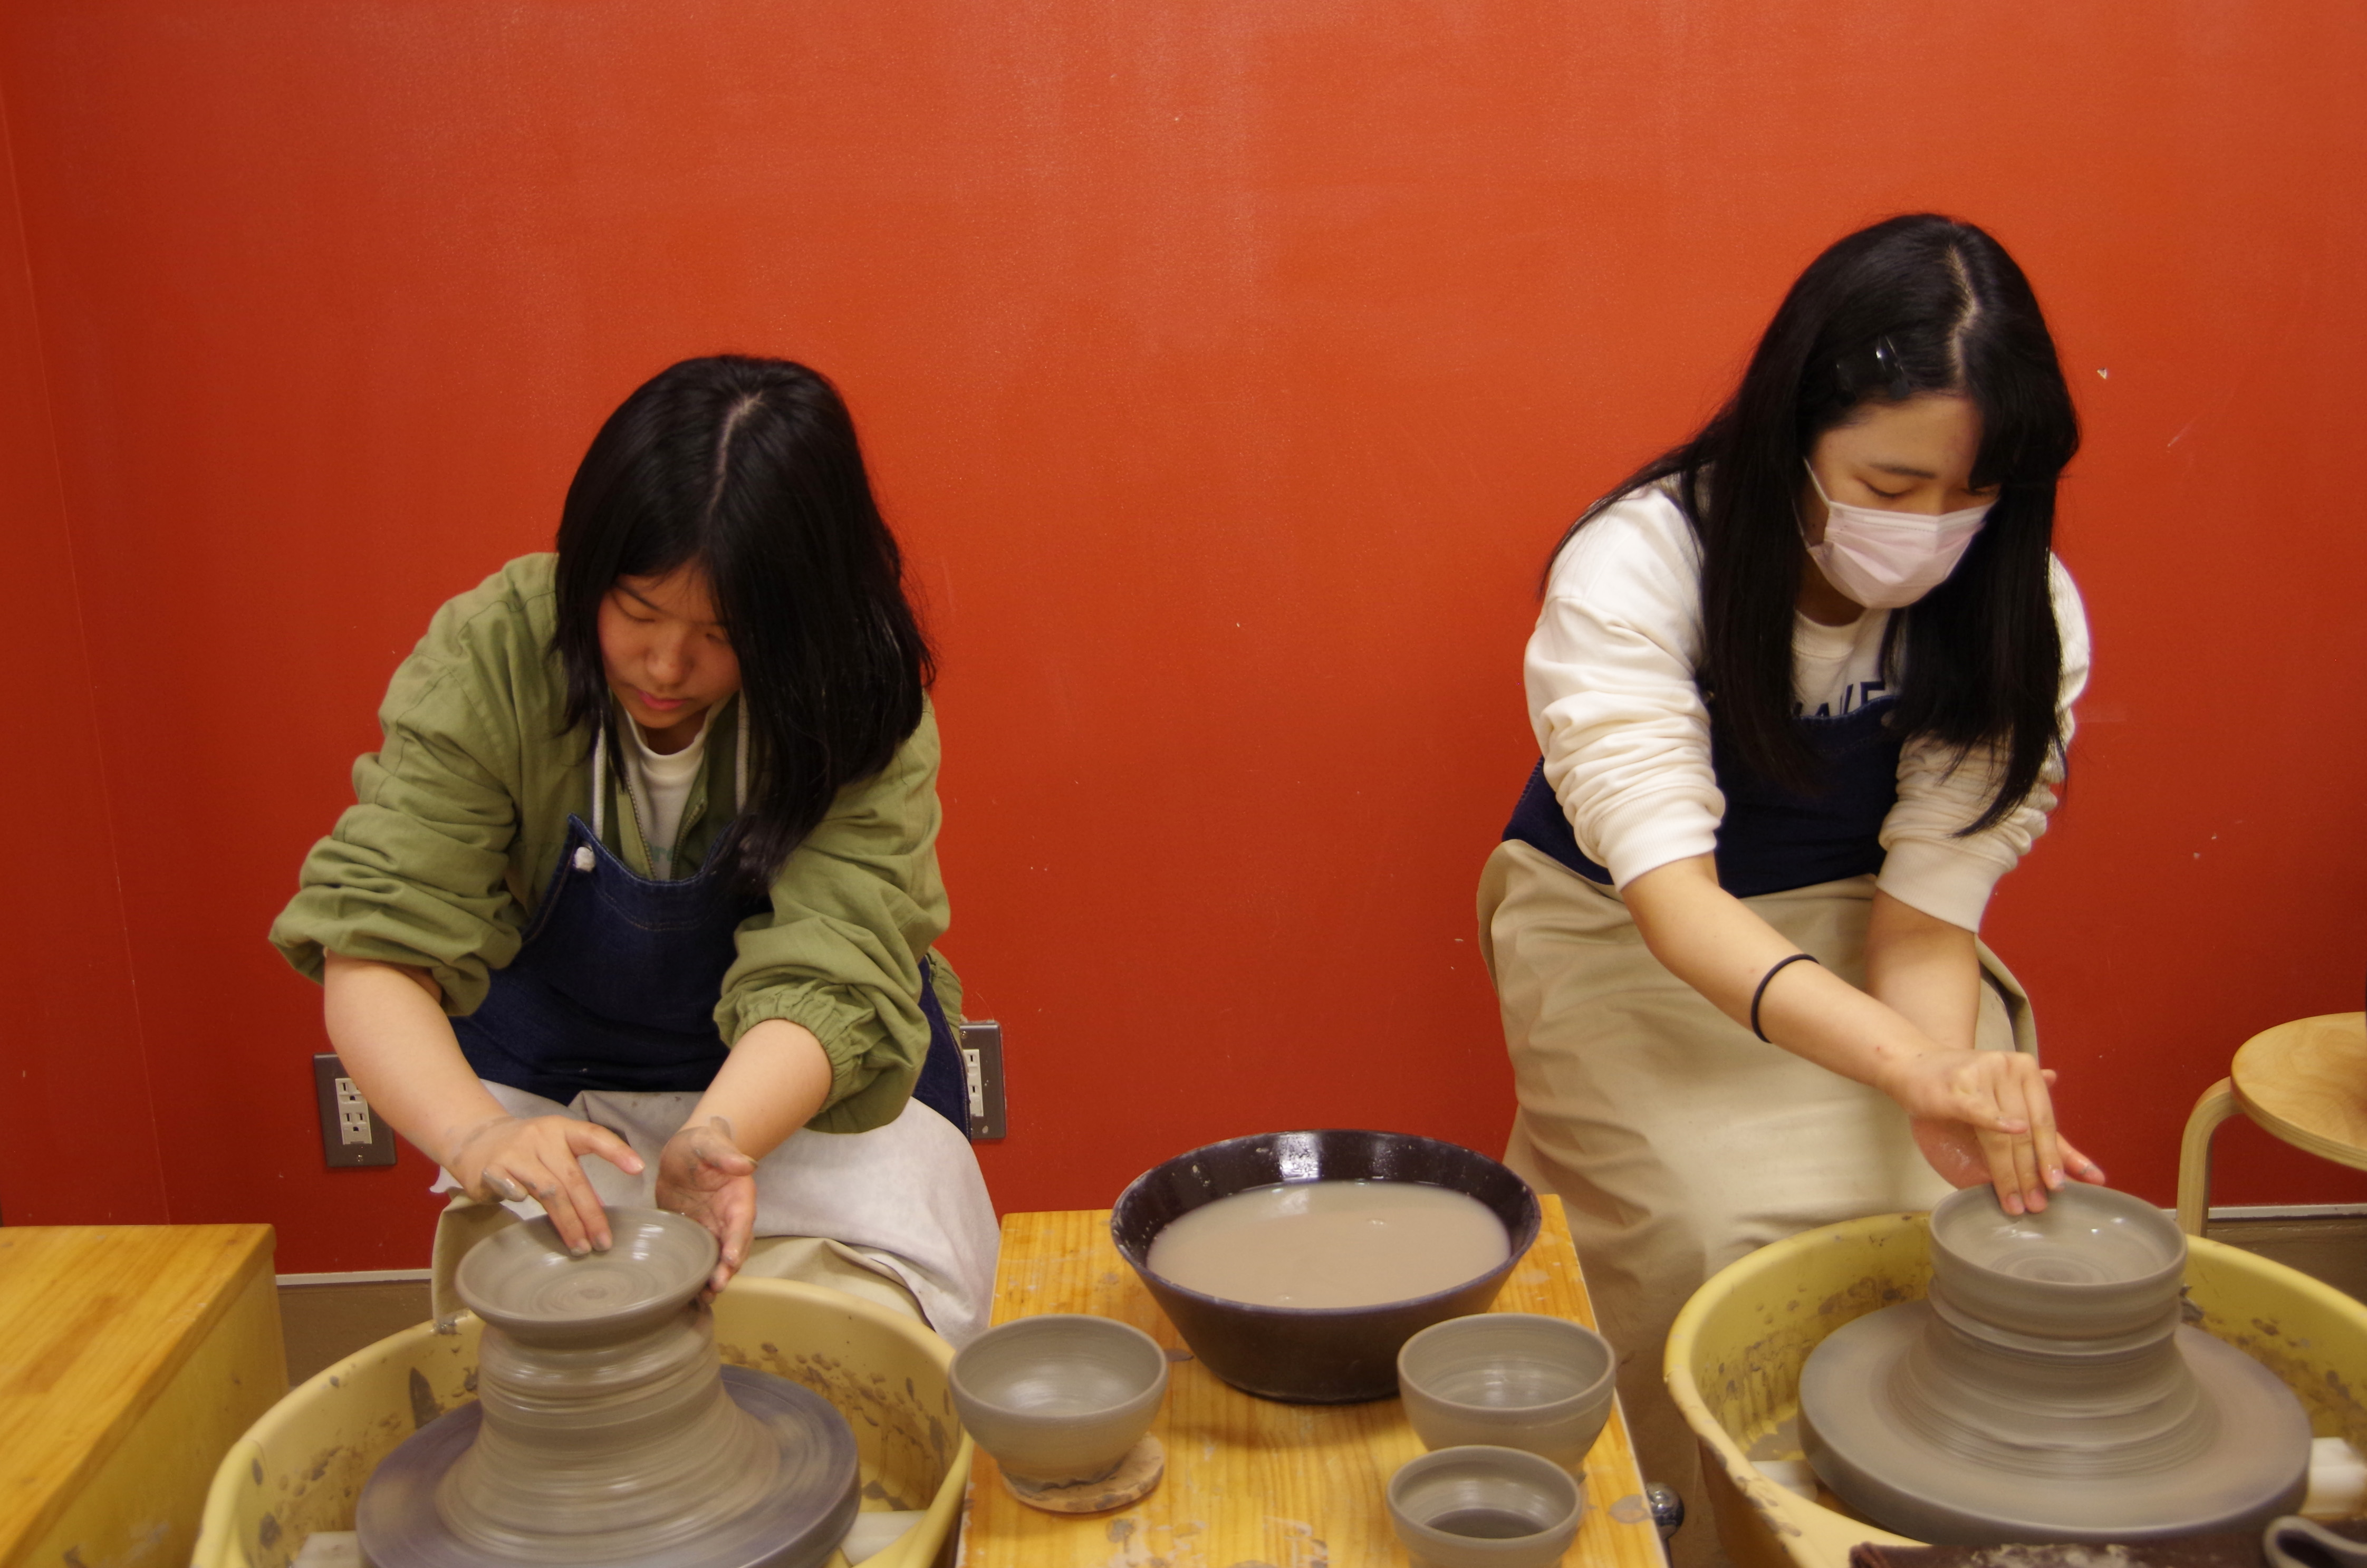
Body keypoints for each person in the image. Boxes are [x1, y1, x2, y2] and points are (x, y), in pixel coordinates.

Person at [1478, 215, 2105, 1553]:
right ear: (1794, 431)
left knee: (1962, 1218)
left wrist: (1932, 1085)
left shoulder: (2020, 608)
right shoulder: (1643, 566)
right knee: (1711, 1225)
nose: (1933, 530)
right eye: (1889, 484)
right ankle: (1678, 1528)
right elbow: (1677, 904)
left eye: (1972, 492)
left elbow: (1926, 918)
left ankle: (1910, 1516)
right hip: (1626, 925)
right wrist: (1908, 1070)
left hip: (1869, 924)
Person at [271, 355, 996, 1343]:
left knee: (858, 1351)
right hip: (559, 1094)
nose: (664, 665)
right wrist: (478, 1134)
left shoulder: (853, 687)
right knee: (533, 1359)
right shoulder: (499, 654)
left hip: (800, 1088)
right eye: (637, 611)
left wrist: (716, 1137)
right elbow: (377, 946)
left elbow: (834, 966)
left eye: (722, 633)